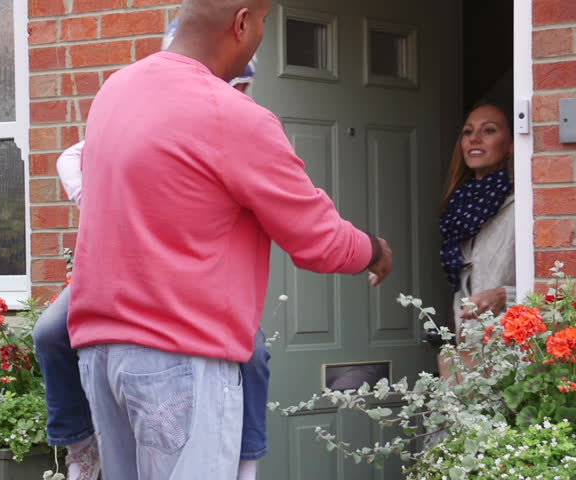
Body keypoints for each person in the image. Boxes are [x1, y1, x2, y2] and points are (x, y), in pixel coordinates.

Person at [67, 0, 393, 477]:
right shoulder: (231, 115)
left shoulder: (115, 91)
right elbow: (317, 240)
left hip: (102, 355)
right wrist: (373, 250)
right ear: (241, 23)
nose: (261, 34)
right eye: (263, 23)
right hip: (180, 359)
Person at [32, 17, 269, 480]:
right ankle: (81, 442)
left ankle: (246, 454)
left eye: (242, 85)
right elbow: (70, 157)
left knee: (253, 352)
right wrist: (98, 198)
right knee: (49, 332)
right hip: (116, 273)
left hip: (195, 282)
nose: (234, 91)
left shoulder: (234, 126)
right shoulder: (140, 115)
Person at [438, 100, 515, 367]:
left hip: (512, 346)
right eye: (468, 132)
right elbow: (463, 279)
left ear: (511, 145)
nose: (475, 138)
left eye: (489, 130)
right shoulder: (457, 207)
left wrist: (506, 295)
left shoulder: (524, 205)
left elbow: (554, 282)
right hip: (468, 342)